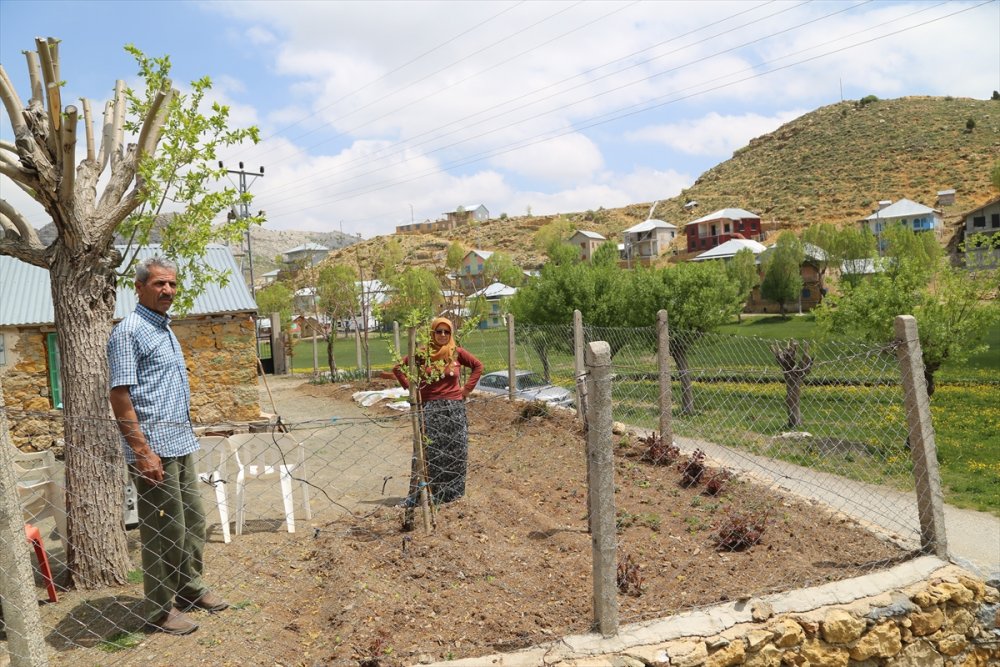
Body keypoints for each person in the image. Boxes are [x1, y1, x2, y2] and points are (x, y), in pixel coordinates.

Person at [108, 256, 229, 636]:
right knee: (162, 530)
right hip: (152, 449)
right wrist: (142, 452)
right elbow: (120, 395)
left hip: (179, 441)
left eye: (173, 285)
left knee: (192, 521)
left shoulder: (164, 329)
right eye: (160, 284)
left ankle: (190, 590)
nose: (168, 291)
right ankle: (158, 610)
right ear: (139, 287)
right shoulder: (128, 332)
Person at [392, 317, 483, 504]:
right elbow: (398, 369)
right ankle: (425, 496)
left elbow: (478, 366)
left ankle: (452, 495)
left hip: (454, 409)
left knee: (455, 451)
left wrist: (466, 390)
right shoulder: (423, 354)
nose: (442, 335)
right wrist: (412, 389)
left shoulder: (456, 353)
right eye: (438, 331)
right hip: (429, 409)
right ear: (432, 333)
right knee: (429, 451)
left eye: (446, 332)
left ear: (450, 334)